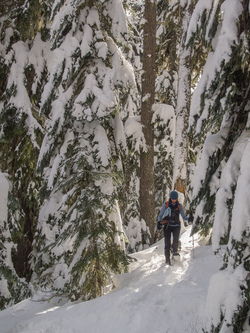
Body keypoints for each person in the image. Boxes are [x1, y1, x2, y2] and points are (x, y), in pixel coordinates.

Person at [157, 190, 190, 265]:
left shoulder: (179, 206)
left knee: (175, 241)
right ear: (170, 198)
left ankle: (175, 254)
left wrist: (189, 219)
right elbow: (160, 215)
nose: (174, 200)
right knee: (167, 243)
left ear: (177, 198)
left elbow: (183, 216)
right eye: (172, 198)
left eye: (175, 198)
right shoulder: (166, 205)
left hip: (176, 226)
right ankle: (167, 259)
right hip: (167, 226)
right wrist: (159, 222)